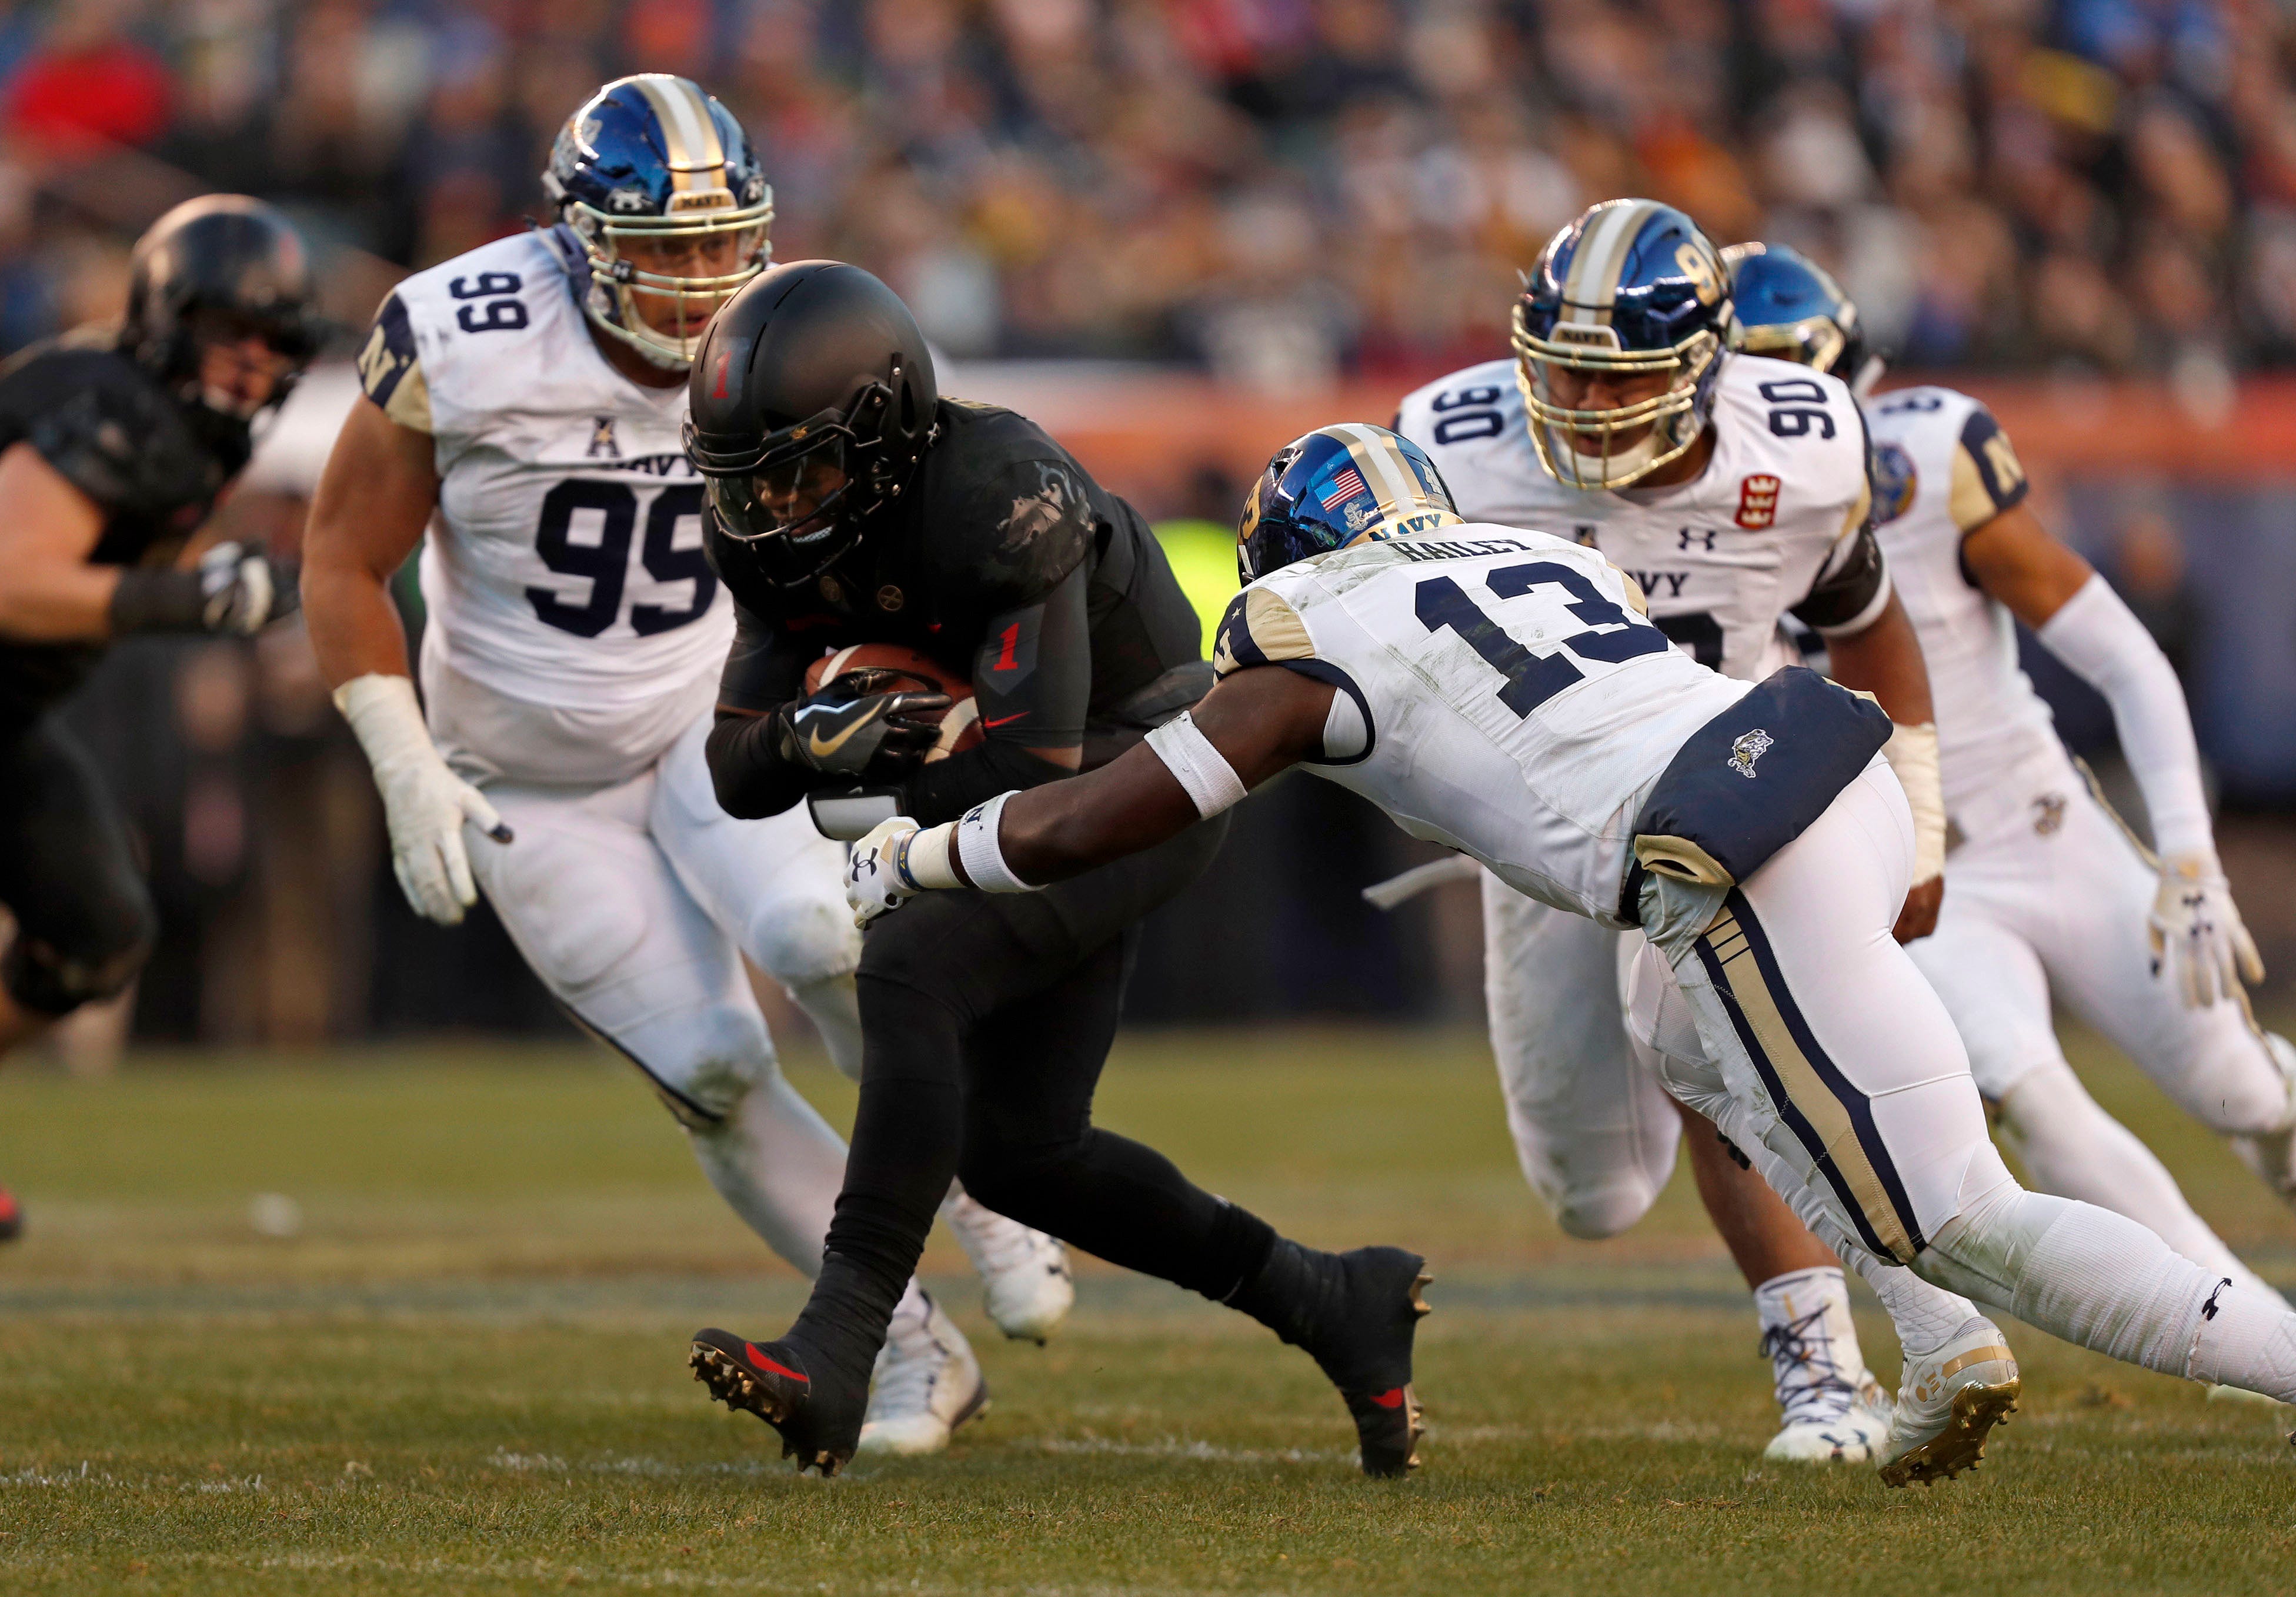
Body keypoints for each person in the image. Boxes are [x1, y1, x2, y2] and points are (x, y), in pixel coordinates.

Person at [846, 423, 2296, 1484]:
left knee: (1964, 1213)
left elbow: (1099, 819)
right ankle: (1941, 1346)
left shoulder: (1304, 624)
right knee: (1691, 1052)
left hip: (1721, 852)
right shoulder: (1530, 547)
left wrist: (913, 854)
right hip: (1807, 754)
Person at [299, 76, 1067, 1459]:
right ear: (574, 238)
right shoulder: (463, 335)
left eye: (724, 245)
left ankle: (993, 1200)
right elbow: (343, 556)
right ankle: (904, 1349)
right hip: (522, 775)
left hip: (708, 720)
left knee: (822, 932)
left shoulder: (801, 330)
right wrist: (402, 756)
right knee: (713, 1064)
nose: (700, 281)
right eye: (662, 251)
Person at [680, 262, 1431, 1480]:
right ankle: (1339, 1300)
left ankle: (838, 1342)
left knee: (913, 964)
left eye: (803, 467)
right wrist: (800, 739)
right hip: (1032, 782)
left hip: (1145, 768)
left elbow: (1034, 773)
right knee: (1024, 1152)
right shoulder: (762, 537)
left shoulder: (1001, 490)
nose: (774, 503)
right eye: (749, 475)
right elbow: (734, 771)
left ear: (886, 428)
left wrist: (872, 776)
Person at [1389, 199, 1946, 1464]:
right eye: (1560, 372)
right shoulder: (1450, 446)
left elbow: (1868, 618)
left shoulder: (1796, 452)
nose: (1579, 404)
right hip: (1534, 831)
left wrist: (1919, 809)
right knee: (1589, 1193)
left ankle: (1835, 1371)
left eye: (1612, 377)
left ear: (1703, 369)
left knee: (1736, 1073)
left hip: (1719, 806)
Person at [1728, 244, 2296, 1369]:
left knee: (2238, 1088)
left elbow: (2127, 657)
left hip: (2044, 829)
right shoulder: (1696, 523)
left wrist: (2190, 857)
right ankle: (2274, 1348)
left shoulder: (1928, 459)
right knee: (2046, 1112)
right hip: (1921, 878)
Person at [0, 194, 317, 1239]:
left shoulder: (183, 427)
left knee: (97, 928)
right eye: (231, 334)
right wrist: (190, 600)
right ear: (170, 319)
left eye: (275, 342)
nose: (253, 363)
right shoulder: (120, 407)